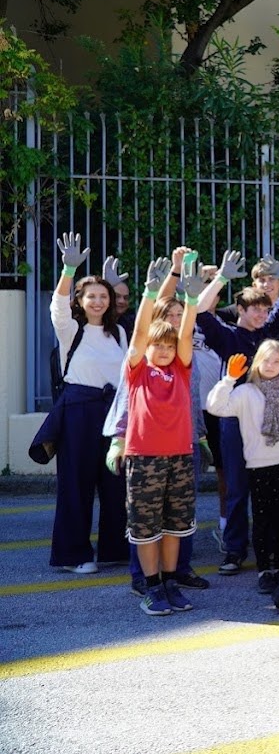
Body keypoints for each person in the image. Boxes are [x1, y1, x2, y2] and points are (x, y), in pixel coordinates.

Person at [193, 249, 279, 576]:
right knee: (237, 486)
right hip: (235, 420)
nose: (263, 314)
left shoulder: (268, 332)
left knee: (275, 487)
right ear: (240, 309)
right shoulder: (228, 336)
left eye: (265, 309)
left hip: (270, 420)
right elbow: (199, 310)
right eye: (255, 309)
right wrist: (222, 277)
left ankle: (278, 547)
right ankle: (235, 550)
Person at [35, 233, 128, 573]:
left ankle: (115, 548)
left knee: (116, 480)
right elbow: (58, 308)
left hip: (113, 410)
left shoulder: (119, 333)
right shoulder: (70, 329)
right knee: (76, 483)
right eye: (92, 296)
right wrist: (68, 270)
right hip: (78, 410)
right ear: (81, 300)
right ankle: (74, 555)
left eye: (104, 296)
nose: (98, 301)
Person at [119, 249, 201, 615]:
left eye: (170, 346)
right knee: (145, 528)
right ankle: (151, 587)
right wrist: (150, 295)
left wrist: (192, 301)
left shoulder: (181, 369)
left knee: (173, 527)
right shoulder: (137, 370)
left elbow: (186, 334)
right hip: (145, 459)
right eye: (159, 346)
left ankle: (169, 583)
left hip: (180, 457)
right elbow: (140, 333)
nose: (166, 350)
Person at [206, 341, 279, 594]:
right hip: (258, 464)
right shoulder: (245, 392)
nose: (271, 365)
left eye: (276, 361)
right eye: (266, 360)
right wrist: (228, 379)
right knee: (262, 519)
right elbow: (215, 406)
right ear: (257, 362)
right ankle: (264, 570)